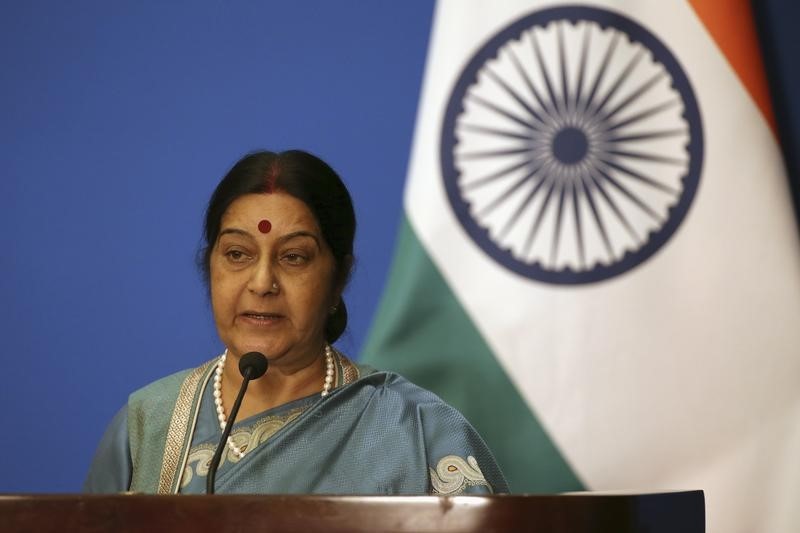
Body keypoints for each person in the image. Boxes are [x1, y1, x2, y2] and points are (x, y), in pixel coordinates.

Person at [84, 150, 508, 495]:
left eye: (294, 257)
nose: (262, 282)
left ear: (339, 277)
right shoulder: (146, 427)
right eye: (237, 254)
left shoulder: (419, 430)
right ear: (208, 266)